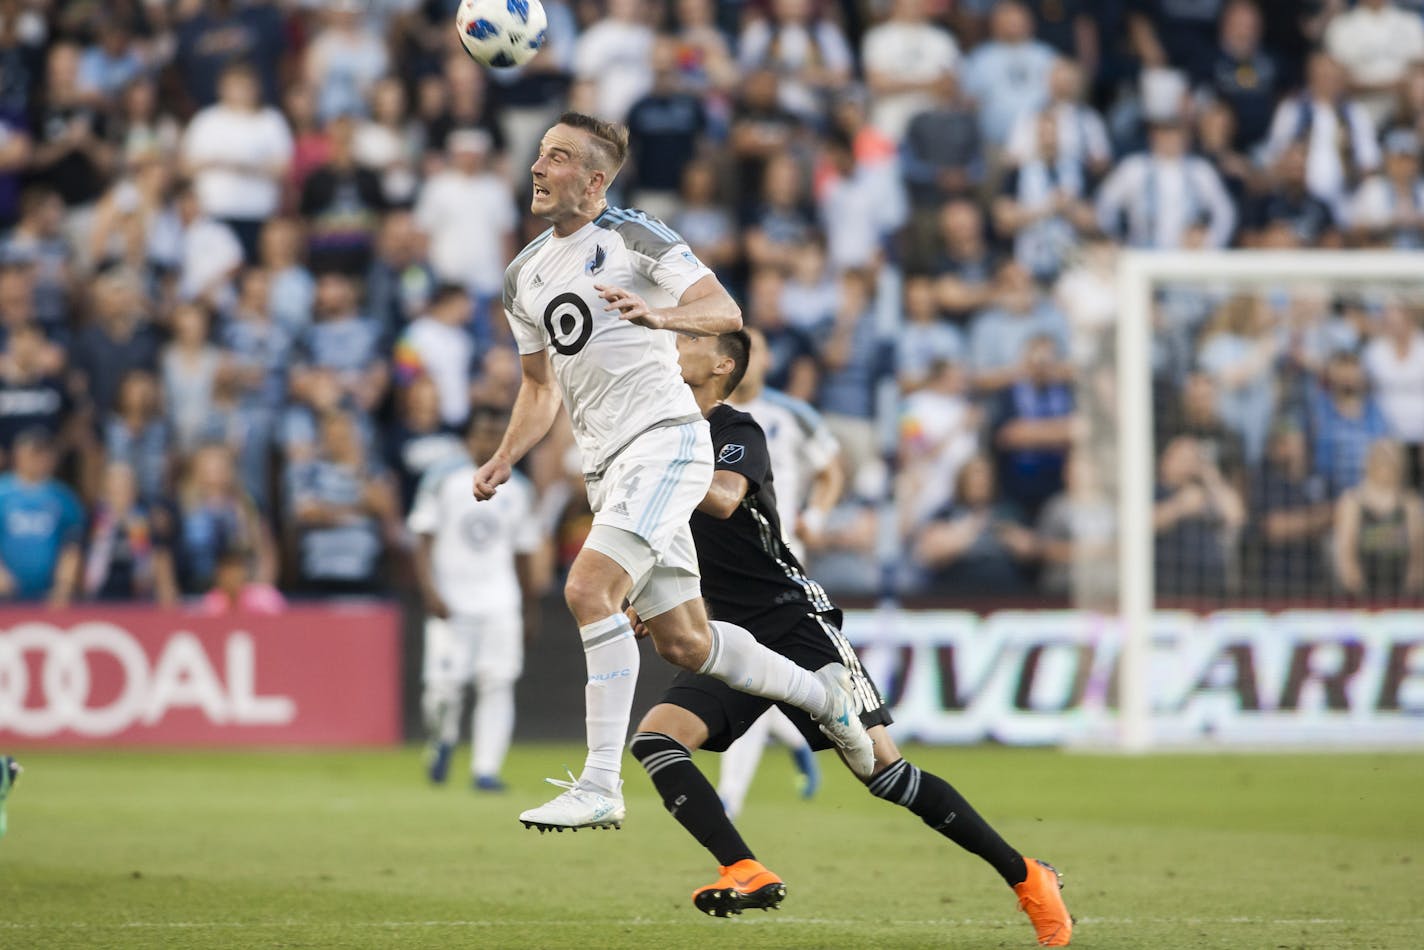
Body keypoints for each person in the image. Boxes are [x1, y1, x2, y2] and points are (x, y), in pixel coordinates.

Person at [475, 112, 873, 832]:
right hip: (609, 464)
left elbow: (723, 309)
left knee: (588, 587)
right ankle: (824, 697)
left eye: (558, 157)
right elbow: (539, 388)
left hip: (664, 443)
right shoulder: (522, 275)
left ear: (595, 180)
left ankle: (599, 784)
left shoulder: (633, 235)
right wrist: (507, 455)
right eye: (538, 154)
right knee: (686, 641)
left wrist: (663, 319)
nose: (537, 168)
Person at [627, 330, 1072, 946]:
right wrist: (641, 595)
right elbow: (657, 532)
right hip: (724, 630)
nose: (674, 345)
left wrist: (652, 467)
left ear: (722, 363)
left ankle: (1028, 878)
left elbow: (725, 500)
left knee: (883, 773)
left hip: (792, 621)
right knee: (657, 741)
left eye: (691, 339)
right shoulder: (661, 433)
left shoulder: (737, 430)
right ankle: (744, 867)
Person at [716, 326, 844, 816]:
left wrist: (817, 515)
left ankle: (729, 797)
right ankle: (795, 735)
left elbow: (832, 469)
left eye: (760, 347)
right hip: (724, 561)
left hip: (779, 561)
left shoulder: (790, 415)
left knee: (745, 673)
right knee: (750, 673)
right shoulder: (707, 416)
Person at [409, 405, 551, 791]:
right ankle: (441, 741)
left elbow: (524, 553)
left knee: (497, 683)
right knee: (442, 689)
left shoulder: (517, 488)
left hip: (499, 601)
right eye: (481, 433)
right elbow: (421, 539)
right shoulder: (441, 480)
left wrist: (529, 607)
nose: (487, 441)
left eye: (495, 433)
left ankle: (485, 769)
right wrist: (430, 590)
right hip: (451, 602)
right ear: (467, 438)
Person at [1333, 439, 1424, 602]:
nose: (1387, 462)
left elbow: (1418, 555)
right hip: (1361, 594)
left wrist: (1409, 593)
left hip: (1403, 594)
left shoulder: (1411, 503)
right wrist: (1359, 592)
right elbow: (1345, 553)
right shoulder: (1352, 501)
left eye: (1391, 457)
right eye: (1382, 455)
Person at [0, 429, 83, 605]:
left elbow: (71, 545)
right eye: (32, 453)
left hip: (47, 596)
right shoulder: (3, 493)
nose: (37, 459)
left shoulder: (63, 497)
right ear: (18, 455)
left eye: (43, 453)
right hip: (5, 594)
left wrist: (63, 586)